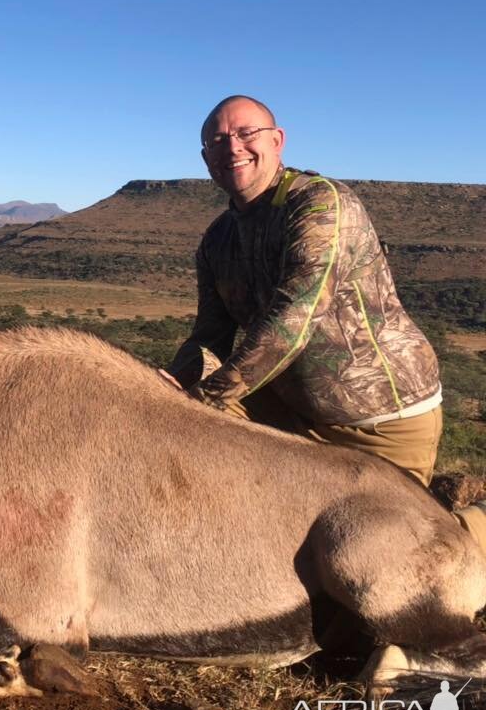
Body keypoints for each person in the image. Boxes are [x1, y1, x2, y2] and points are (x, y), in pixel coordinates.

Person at [161, 95, 486, 549]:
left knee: (394, 554)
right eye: (217, 140)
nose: (232, 146)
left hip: (376, 418)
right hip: (284, 410)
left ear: (278, 141)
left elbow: (295, 316)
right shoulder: (217, 239)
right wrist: (169, 385)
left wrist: (200, 402)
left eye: (246, 133)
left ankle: (475, 529)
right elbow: (210, 335)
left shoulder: (320, 203)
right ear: (205, 158)